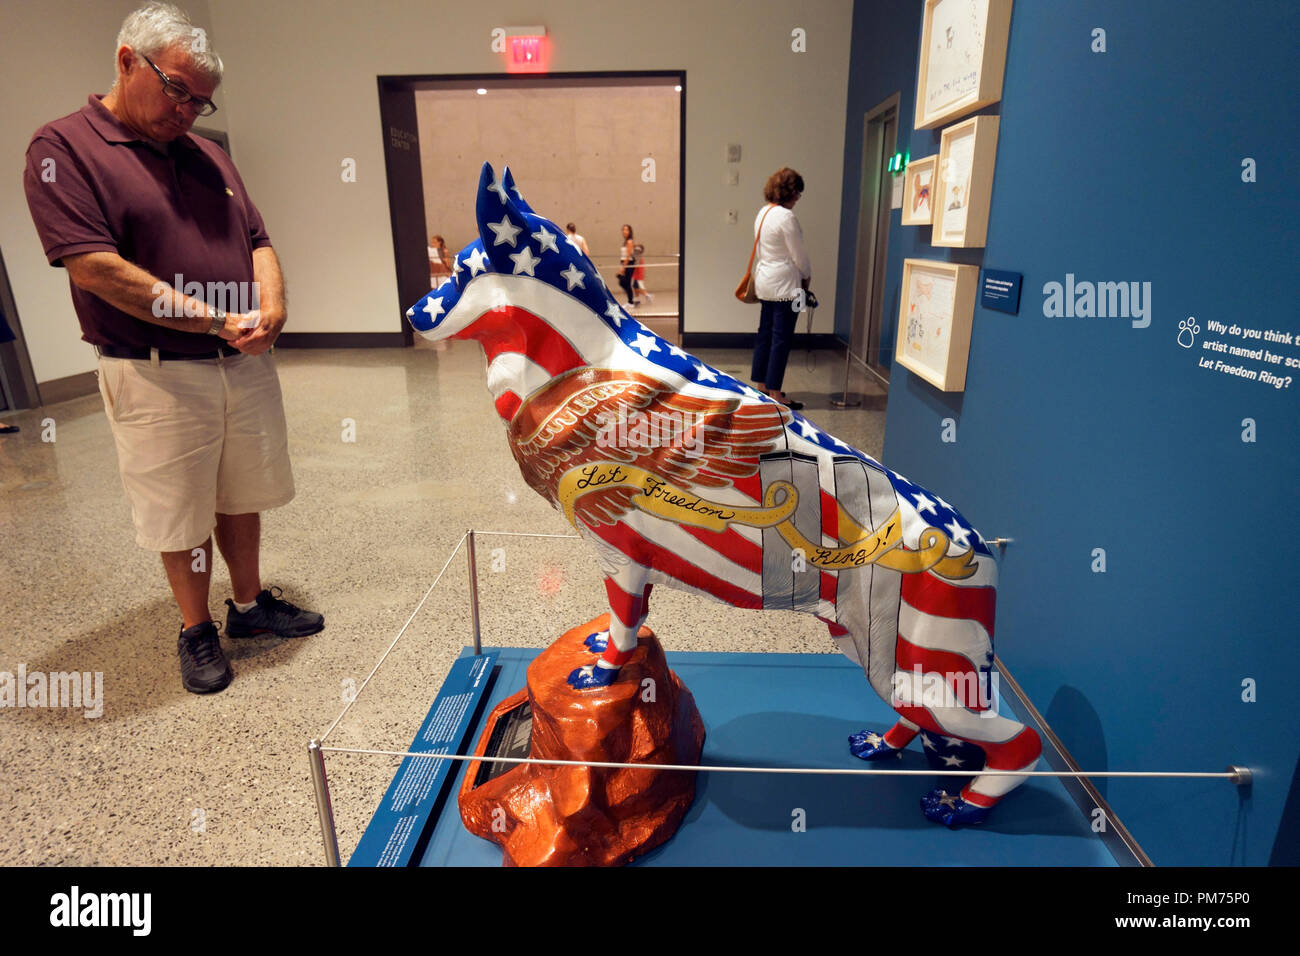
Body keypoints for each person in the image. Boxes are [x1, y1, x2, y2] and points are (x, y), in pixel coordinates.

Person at [22, 2, 322, 695]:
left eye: (202, 100)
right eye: (178, 91)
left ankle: (247, 608)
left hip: (238, 363)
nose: (189, 110)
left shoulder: (207, 154)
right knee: (180, 508)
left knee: (241, 491)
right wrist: (217, 320)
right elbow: (95, 266)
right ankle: (195, 629)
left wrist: (272, 305)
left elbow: (256, 239)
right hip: (154, 371)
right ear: (129, 60)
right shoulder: (63, 149)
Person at [750, 167, 811, 410]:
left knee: (765, 334)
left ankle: (761, 386)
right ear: (791, 192)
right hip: (788, 286)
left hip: (764, 282)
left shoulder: (763, 212)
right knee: (781, 338)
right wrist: (807, 276)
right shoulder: (786, 217)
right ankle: (776, 392)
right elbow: (799, 256)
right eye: (798, 194)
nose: (797, 199)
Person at [616, 224, 638, 306]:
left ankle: (631, 301)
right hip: (624, 262)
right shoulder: (625, 242)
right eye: (623, 230)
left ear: (630, 231)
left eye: (626, 230)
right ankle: (630, 299)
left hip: (628, 263)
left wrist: (623, 267)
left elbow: (628, 256)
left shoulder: (629, 241)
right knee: (622, 282)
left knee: (626, 282)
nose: (624, 231)